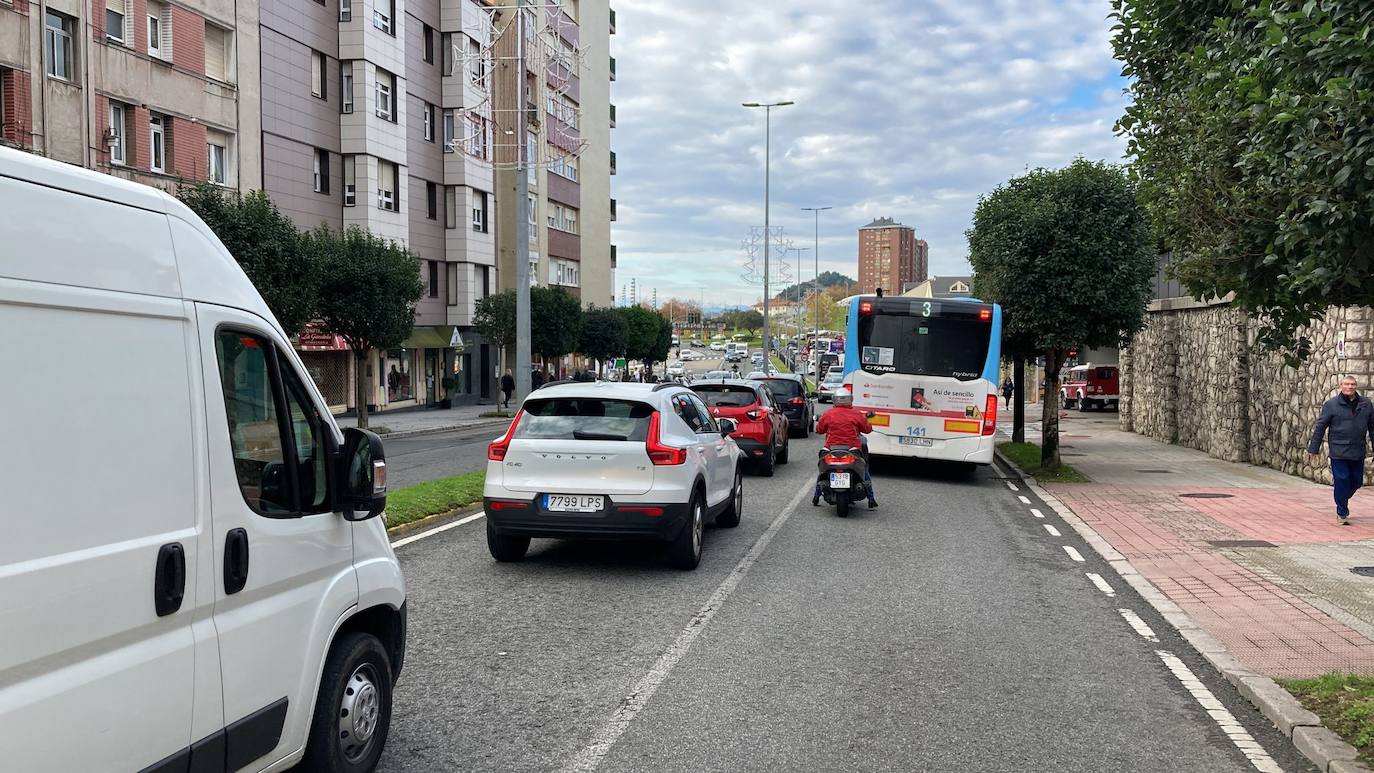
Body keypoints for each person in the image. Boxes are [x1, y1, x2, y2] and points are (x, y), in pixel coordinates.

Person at [1307, 375, 1374, 525]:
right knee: (1342, 479)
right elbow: (1320, 427)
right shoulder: (1331, 405)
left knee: (1356, 482)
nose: (1350, 387)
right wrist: (1314, 448)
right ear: (1340, 386)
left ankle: (1342, 498)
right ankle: (1342, 512)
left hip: (1357, 450)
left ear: (1356, 386)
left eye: (1352, 384)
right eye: (1347, 384)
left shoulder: (1366, 404)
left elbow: (1372, 428)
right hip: (1339, 450)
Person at [814, 388, 878, 508]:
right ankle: (871, 498)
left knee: (822, 471)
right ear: (850, 400)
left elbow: (819, 430)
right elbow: (867, 429)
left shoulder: (828, 414)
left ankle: (816, 496)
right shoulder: (856, 414)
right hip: (852, 450)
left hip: (831, 449)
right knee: (864, 470)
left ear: (834, 400)